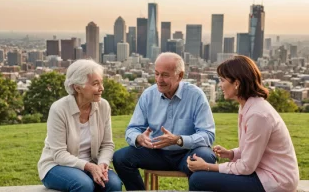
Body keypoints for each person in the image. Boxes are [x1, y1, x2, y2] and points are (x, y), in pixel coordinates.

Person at [187, 55, 299, 192]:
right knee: (200, 178)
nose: (220, 85)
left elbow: (246, 167)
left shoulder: (258, 114)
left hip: (276, 181)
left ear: (237, 83)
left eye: (222, 80)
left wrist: (208, 167)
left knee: (198, 180)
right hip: (262, 173)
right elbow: (252, 150)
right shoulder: (247, 106)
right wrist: (231, 154)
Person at [113, 52, 216, 190]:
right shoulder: (148, 95)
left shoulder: (196, 96)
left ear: (180, 76)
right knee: (120, 158)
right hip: (155, 153)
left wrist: (179, 140)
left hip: (187, 153)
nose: (159, 80)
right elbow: (132, 129)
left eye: (165, 75)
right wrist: (139, 138)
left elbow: (208, 135)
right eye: (156, 74)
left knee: (206, 157)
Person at [37, 59, 122, 192]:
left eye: (101, 82)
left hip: (92, 164)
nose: (102, 88)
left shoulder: (103, 106)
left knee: (114, 184)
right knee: (84, 185)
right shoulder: (59, 109)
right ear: (77, 87)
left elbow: (107, 144)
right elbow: (59, 154)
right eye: (95, 84)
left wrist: (102, 164)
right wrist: (89, 167)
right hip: (56, 165)